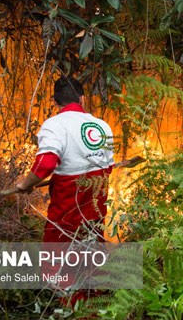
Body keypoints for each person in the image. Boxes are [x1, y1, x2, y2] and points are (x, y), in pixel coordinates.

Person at [14, 77, 115, 243]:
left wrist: (26, 184)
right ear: (82, 99)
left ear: (54, 101)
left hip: (66, 216)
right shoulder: (102, 125)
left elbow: (45, 164)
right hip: (95, 215)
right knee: (92, 263)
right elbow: (108, 167)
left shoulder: (54, 125)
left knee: (57, 264)